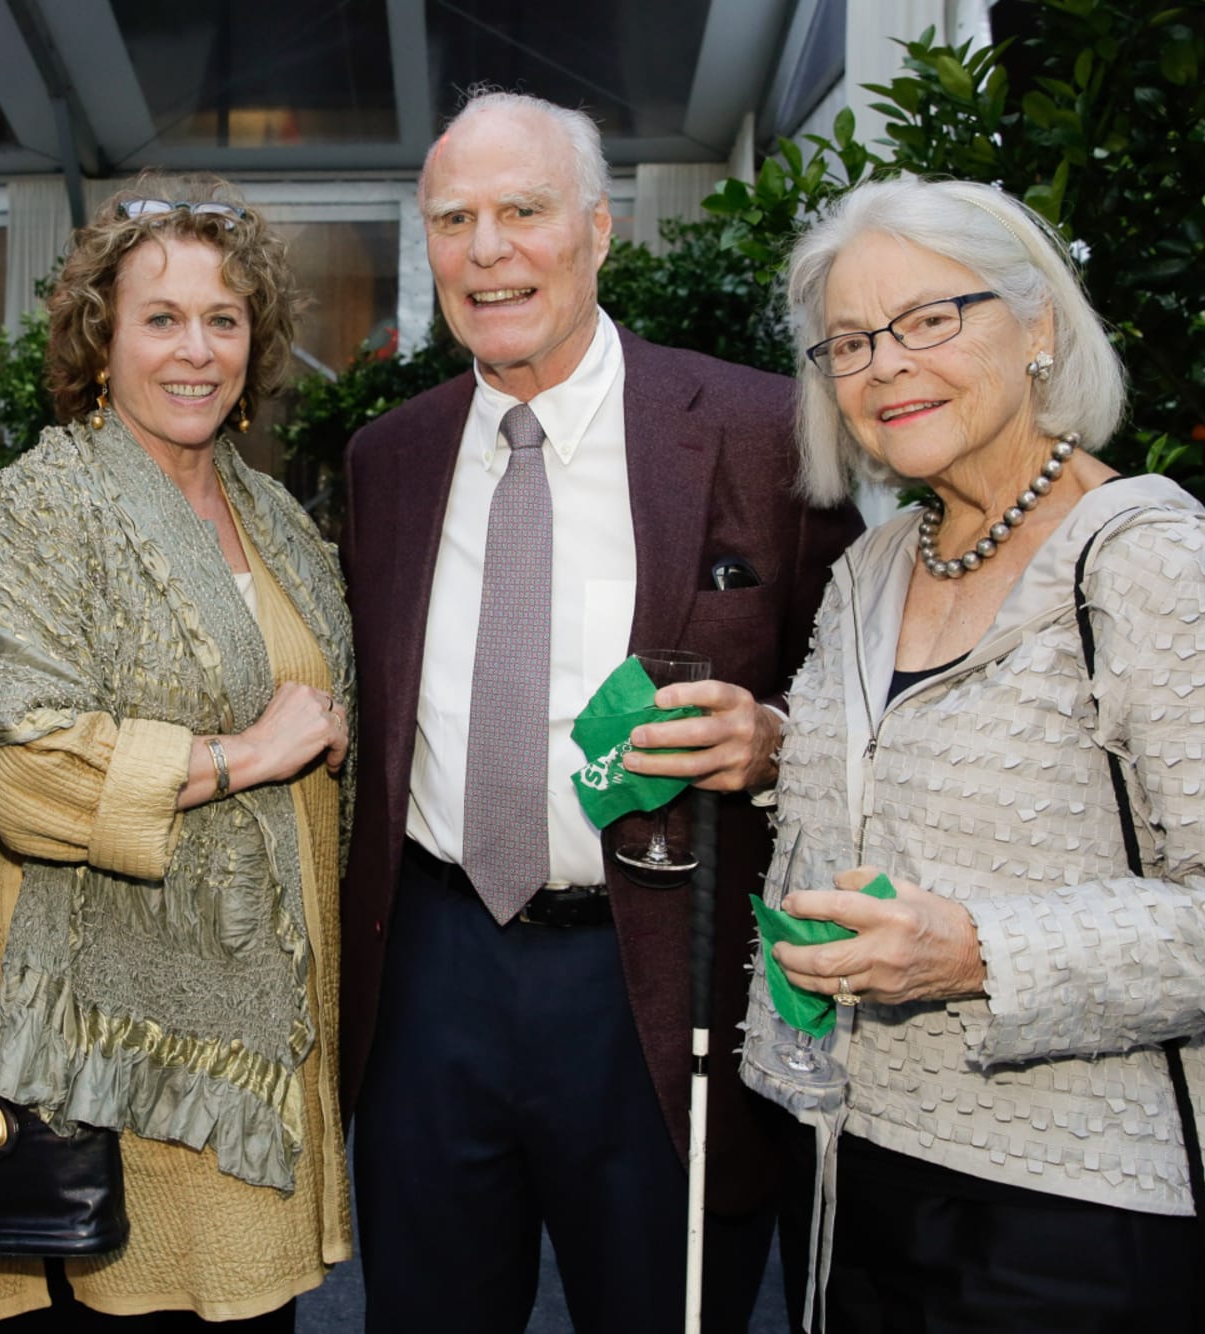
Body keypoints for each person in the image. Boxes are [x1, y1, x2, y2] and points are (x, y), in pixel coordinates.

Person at [742, 174, 1205, 1331]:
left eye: (928, 318)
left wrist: (976, 950)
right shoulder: (871, 568)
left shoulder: (1150, 562)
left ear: (1035, 324)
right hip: (845, 1168)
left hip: (1082, 1210)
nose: (885, 365)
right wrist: (773, 748)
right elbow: (888, 781)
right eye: (849, 341)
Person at [338, 90, 863, 1332]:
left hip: (658, 982)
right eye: (452, 219)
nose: (486, 250)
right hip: (432, 972)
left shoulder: (758, 431)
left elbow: (860, 684)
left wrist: (774, 741)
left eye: (521, 211)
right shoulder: (386, 460)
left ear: (597, 229)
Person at [0, 175, 353, 1330]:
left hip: (262, 1053)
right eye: (160, 317)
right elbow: (25, 772)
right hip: (104, 1071)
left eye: (223, 319)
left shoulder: (276, 515)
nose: (196, 350)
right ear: (100, 336)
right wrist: (251, 754)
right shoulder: (38, 507)